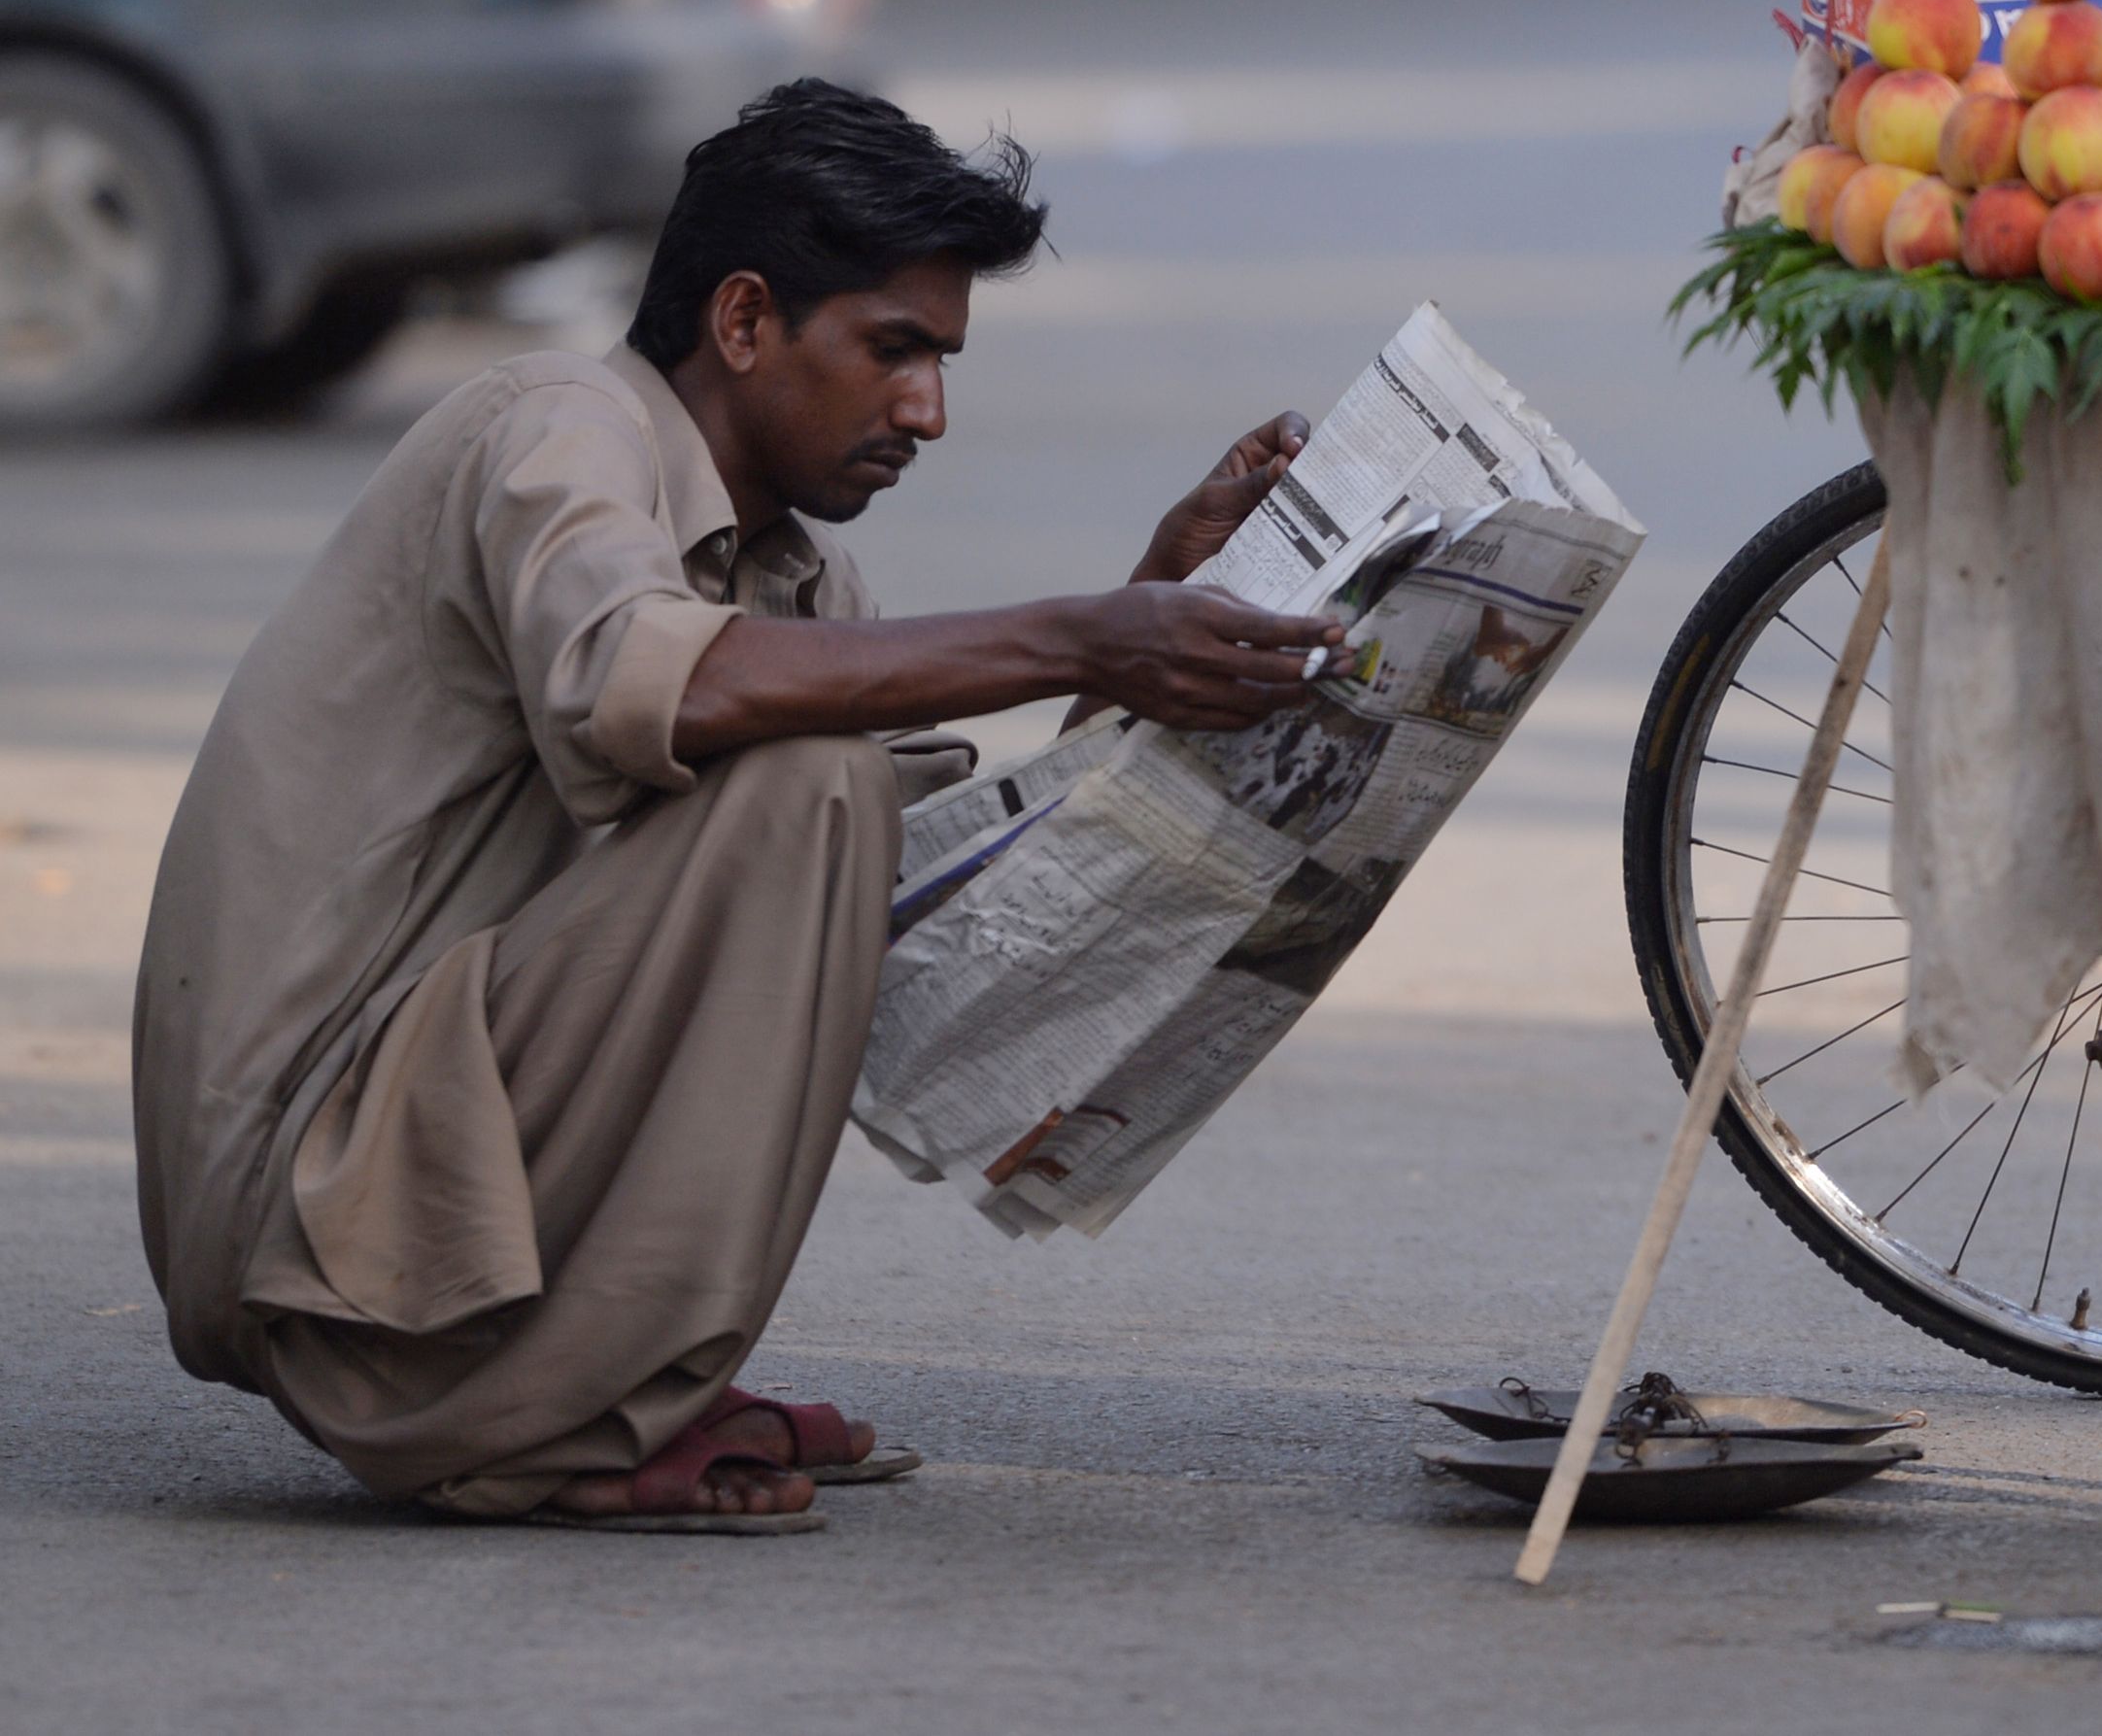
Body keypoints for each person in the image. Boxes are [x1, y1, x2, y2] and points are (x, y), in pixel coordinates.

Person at [132, 81, 1344, 1533]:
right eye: (895, 350)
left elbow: (917, 930)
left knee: (830, 796)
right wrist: (1083, 635)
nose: (930, 412)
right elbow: (643, 689)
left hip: (414, 1183)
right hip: (315, 1219)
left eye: (944, 361)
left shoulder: (793, 582)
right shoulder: (557, 427)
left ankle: (593, 1376)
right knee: (816, 771)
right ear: (747, 319)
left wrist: (1156, 616)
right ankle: (535, 1421)